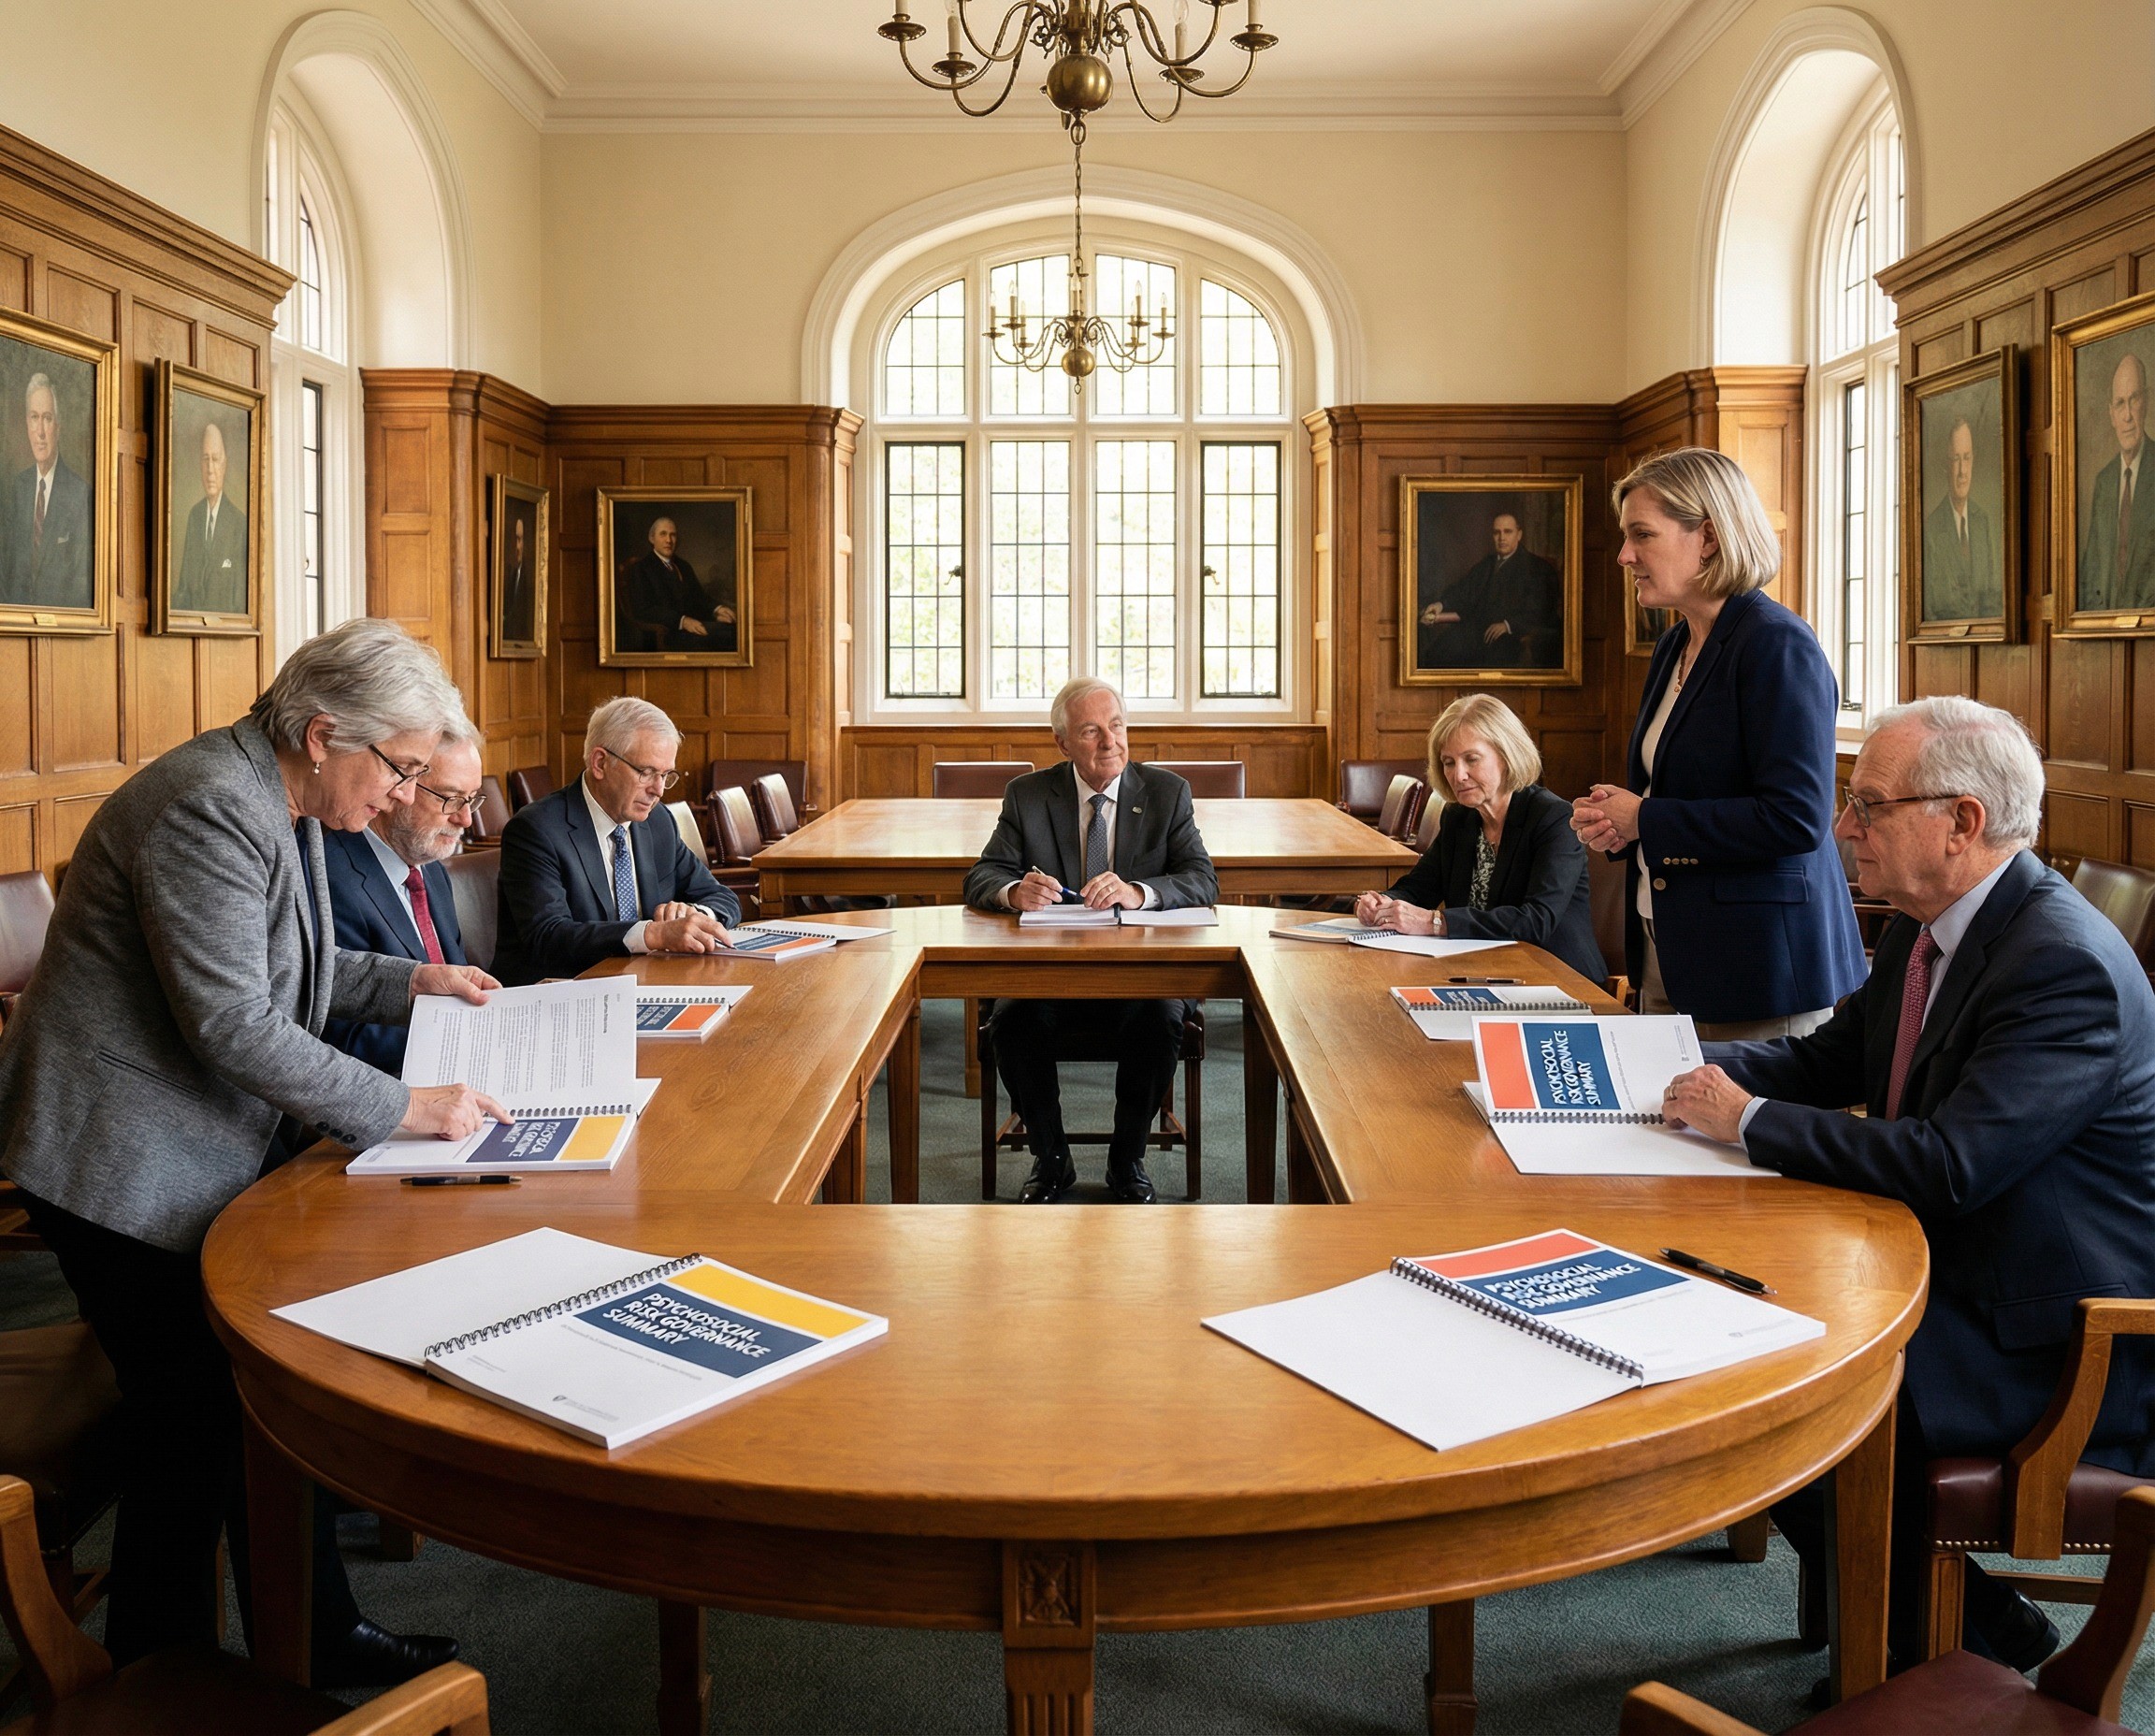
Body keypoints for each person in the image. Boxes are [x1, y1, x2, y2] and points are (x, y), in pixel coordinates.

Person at [0, 617, 508, 1683]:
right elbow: (235, 1022)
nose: (406, 795)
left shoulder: (275, 789)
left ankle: (310, 1625)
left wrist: (418, 977)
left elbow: (303, 965)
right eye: (402, 769)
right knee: (193, 1421)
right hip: (114, 1158)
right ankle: (159, 1672)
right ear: (327, 734)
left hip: (186, 1139)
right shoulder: (208, 804)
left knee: (240, 1403)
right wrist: (406, 1105)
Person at [1662, 696, 2155, 1671]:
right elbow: (1829, 1059)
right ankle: (1956, 1635)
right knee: (1750, 1338)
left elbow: (1950, 1162)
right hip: (1959, 1273)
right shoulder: (1928, 924)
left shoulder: (2062, 966)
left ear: (1962, 822)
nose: (1844, 827)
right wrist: (1669, 1067)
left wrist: (1744, 1119)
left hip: (2063, 1340)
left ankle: (1961, 1650)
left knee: (1792, 1391)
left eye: (1870, 804)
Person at [1571, 447, 1864, 1038]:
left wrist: (1647, 818)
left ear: (1707, 536)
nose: (1625, 555)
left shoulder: (1778, 645)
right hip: (1671, 948)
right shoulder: (1673, 647)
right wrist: (1620, 823)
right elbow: (1683, 790)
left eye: (1642, 535)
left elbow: (1797, 818)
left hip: (1757, 964)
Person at [963, 677, 1218, 1204]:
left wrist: (1140, 892)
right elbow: (981, 876)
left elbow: (1202, 879)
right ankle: (1051, 1159)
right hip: (1049, 977)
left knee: (1162, 1018)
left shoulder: (1167, 793)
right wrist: (1013, 892)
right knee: (1010, 1022)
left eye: (1118, 725)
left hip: (1139, 978)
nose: (1111, 742)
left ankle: (1128, 1161)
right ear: (1063, 744)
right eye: (1091, 731)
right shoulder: (1028, 795)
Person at [1353, 693, 1602, 984]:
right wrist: (1382, 904)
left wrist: (1435, 922)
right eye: (1448, 762)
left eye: (1471, 759)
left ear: (1506, 757)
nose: (1458, 775)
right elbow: (1420, 887)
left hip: (1559, 981)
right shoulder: (1460, 817)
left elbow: (1536, 921)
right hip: (1479, 973)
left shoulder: (1554, 818)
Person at [492, 695, 741, 985]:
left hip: (648, 985)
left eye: (665, 775)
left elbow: (724, 898)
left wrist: (694, 915)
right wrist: (653, 934)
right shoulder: (536, 830)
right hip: (560, 996)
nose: (659, 790)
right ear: (600, 763)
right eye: (646, 773)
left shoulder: (658, 821)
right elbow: (548, 936)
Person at [322, 725, 482, 1073]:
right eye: (450, 798)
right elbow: (338, 1034)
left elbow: (455, 981)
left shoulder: (430, 867)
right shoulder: (330, 875)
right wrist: (465, 1032)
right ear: (400, 786)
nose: (465, 819)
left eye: (472, 799)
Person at [1416, 510, 1561, 670]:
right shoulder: (1487, 564)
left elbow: (1541, 610)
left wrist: (1508, 625)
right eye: (1496, 533)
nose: (1502, 538)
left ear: (1519, 535)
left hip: (1511, 635)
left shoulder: (1538, 568)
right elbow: (1464, 590)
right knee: (1438, 652)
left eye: (1508, 532)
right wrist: (1441, 605)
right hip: (1478, 630)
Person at [1, 370, 92, 608]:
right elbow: (5, 573)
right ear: (27, 423)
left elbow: (82, 587)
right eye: (34, 417)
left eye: (47, 418)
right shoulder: (17, 490)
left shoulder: (80, 494)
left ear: (58, 427)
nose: (40, 432)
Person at [2078, 352, 2155, 613]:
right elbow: (2090, 574)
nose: (2127, 416)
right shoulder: (2104, 482)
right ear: (2111, 414)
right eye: (2120, 404)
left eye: (2134, 400)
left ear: (2147, 401)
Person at [617, 515, 736, 653]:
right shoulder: (641, 568)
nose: (669, 540)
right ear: (652, 539)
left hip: (694, 625)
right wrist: (682, 621)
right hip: (667, 633)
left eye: (672, 535)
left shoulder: (683, 565)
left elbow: (699, 597)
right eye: (663, 534)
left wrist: (716, 610)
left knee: (732, 630)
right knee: (727, 636)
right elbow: (643, 610)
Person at [1921, 417, 1998, 622]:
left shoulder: (1983, 522)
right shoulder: (1932, 528)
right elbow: (1928, 610)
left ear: (1973, 460)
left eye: (1966, 458)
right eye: (1956, 459)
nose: (1962, 471)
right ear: (1947, 465)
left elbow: (1991, 598)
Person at [175, 419, 248, 615]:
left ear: (224, 465)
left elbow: (240, 602)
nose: (210, 470)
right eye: (205, 459)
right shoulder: (195, 517)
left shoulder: (239, 524)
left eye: (215, 459)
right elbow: (183, 589)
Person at [500, 511, 535, 644]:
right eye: (515, 539)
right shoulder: (512, 575)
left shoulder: (530, 581)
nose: (517, 546)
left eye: (520, 539)